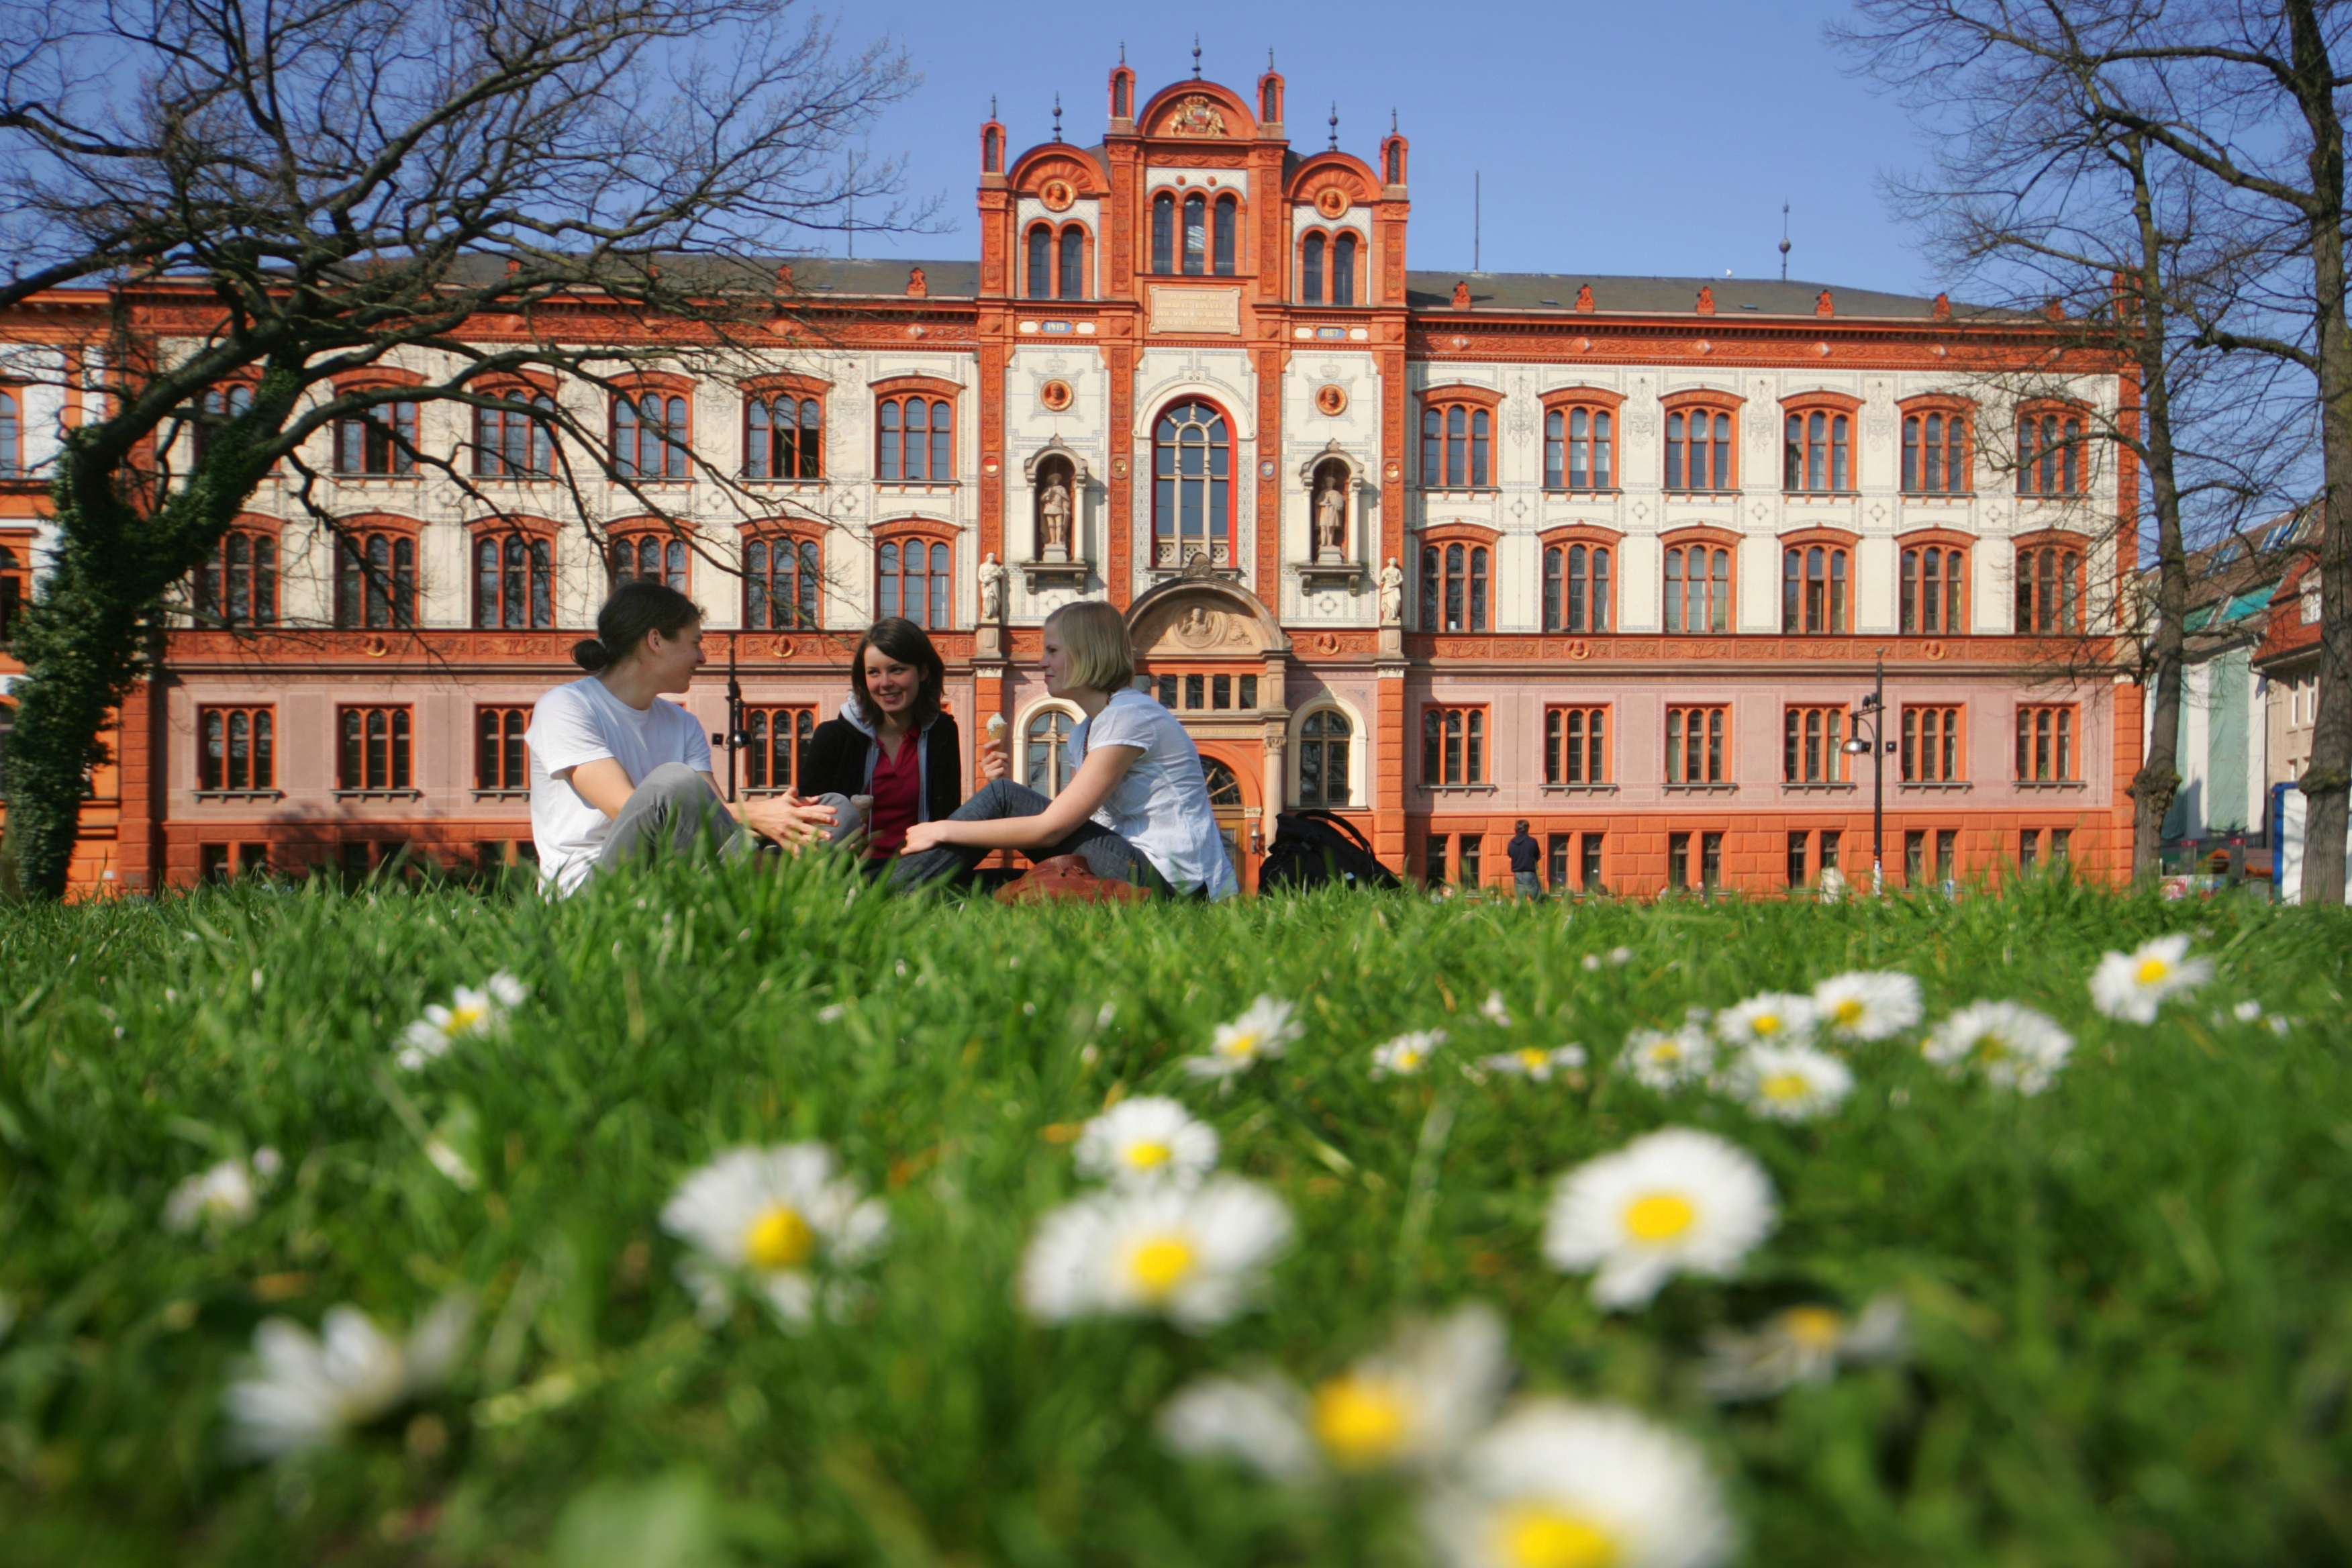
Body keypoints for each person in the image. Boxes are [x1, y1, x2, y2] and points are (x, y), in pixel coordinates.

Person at [893, 599, 1237, 899]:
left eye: (1053, 651)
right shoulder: (1085, 731)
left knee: (1003, 797)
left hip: (1175, 882)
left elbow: (1052, 829)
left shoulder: (1130, 716)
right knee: (980, 884)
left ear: (1087, 652)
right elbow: (1075, 822)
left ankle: (883, 891)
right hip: (1128, 864)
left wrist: (940, 828)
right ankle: (896, 894)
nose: (1042, 662)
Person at [525, 580, 846, 894]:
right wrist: (756, 813)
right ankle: (777, 883)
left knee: (834, 810)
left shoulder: (683, 722)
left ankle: (769, 881)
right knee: (673, 783)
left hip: (677, 874)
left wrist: (786, 817)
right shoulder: (565, 706)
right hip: (595, 888)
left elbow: (712, 820)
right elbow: (628, 808)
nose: (703, 657)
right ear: (656, 641)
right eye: (695, 643)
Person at [801, 618, 1000, 866]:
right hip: (849, 871)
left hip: (919, 869)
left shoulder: (942, 732)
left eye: (897, 670)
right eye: (874, 672)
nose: (885, 683)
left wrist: (995, 783)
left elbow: (947, 817)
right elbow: (806, 820)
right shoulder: (833, 737)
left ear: (924, 671)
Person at [1507, 820, 1544, 900]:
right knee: (1537, 901)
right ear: (1527, 829)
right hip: (1530, 873)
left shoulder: (1511, 843)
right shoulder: (1532, 841)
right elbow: (1537, 856)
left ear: (1516, 829)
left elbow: (1510, 857)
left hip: (1518, 875)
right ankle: (1536, 913)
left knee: (1521, 902)